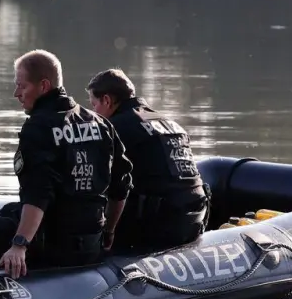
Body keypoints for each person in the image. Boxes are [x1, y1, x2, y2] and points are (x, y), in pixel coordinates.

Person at [0, 49, 131, 277]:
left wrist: (19, 244)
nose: (16, 93)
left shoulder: (39, 127)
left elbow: (38, 192)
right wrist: (108, 233)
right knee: (7, 211)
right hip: (91, 243)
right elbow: (121, 186)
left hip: (50, 246)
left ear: (43, 86)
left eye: (22, 86)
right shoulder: (101, 124)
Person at [86, 68, 209, 255]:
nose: (93, 112)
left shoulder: (114, 128)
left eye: (94, 105)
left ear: (107, 100)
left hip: (159, 227)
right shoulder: (170, 123)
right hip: (195, 219)